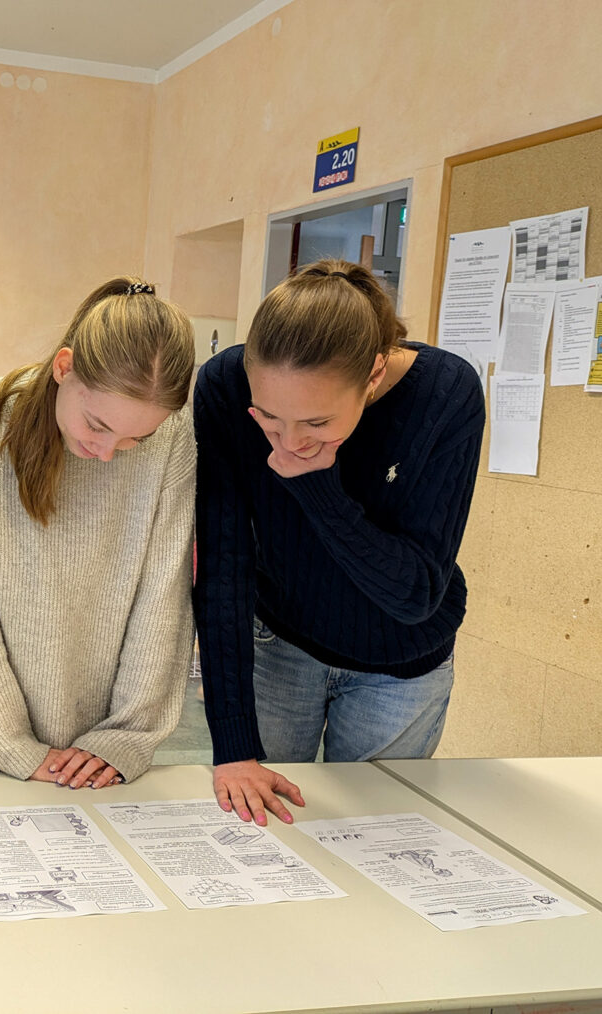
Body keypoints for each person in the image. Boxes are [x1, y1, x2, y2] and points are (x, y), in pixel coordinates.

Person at [194, 259, 484, 827]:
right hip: (280, 645)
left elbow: (415, 592)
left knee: (373, 839)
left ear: (373, 376)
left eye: (318, 424)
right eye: (270, 420)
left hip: (399, 666)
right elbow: (225, 565)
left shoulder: (446, 395)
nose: (291, 441)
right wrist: (233, 746)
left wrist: (317, 484)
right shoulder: (225, 385)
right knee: (265, 834)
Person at [0, 277, 197, 792]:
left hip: (97, 751)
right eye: (96, 424)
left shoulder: (174, 437)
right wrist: (11, 744)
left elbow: (164, 598)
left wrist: (125, 738)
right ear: (63, 368)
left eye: (133, 440)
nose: (106, 452)